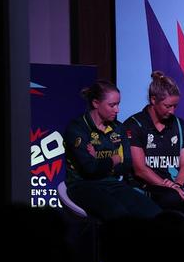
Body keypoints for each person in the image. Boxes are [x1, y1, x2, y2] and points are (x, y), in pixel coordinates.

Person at [62, 81, 161, 220]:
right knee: (118, 214)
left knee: (153, 212)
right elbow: (90, 169)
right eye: (112, 105)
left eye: (118, 104)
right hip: (82, 185)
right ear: (96, 103)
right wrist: (115, 159)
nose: (117, 110)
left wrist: (100, 162)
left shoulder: (118, 128)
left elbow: (126, 164)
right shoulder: (78, 128)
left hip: (111, 183)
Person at [124, 71, 184, 211]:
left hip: (175, 186)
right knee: (172, 199)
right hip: (146, 187)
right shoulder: (134, 124)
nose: (172, 111)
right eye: (168, 106)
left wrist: (178, 185)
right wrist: (169, 187)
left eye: (175, 106)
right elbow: (140, 169)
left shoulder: (179, 124)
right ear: (153, 100)